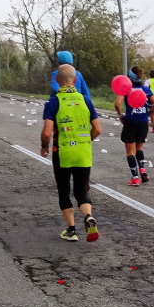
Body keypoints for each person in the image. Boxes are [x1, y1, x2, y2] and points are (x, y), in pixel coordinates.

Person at [41, 64, 102, 242]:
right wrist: (85, 140)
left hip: (63, 153)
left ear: (57, 80)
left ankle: (71, 230)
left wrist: (44, 147)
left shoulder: (53, 102)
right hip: (83, 152)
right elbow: (98, 129)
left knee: (64, 191)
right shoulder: (85, 100)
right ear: (75, 80)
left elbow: (46, 133)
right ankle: (88, 216)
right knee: (81, 192)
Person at [114, 66, 154, 186]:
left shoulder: (126, 90)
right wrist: (148, 114)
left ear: (130, 77)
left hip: (131, 122)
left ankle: (135, 178)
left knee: (130, 152)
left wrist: (121, 115)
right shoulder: (146, 90)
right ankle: (142, 170)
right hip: (143, 123)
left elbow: (117, 104)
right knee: (139, 148)